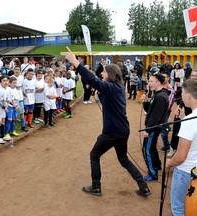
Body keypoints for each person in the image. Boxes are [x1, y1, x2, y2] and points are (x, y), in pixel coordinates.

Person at [65, 46, 151, 197]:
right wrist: (97, 89)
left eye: (103, 71)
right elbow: (95, 82)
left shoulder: (110, 87)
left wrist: (76, 63)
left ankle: (96, 187)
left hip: (112, 131)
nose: (101, 73)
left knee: (94, 155)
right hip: (122, 130)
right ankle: (143, 186)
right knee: (124, 159)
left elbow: (93, 79)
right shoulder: (116, 87)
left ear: (110, 74)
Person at [166, 78, 197, 216]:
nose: (181, 96)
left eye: (183, 93)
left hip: (185, 171)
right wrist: (184, 118)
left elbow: (181, 156)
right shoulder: (189, 120)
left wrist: (169, 163)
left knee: (179, 208)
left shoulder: (190, 122)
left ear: (188, 95)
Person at [141, 72, 169, 181]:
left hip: (153, 128)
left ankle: (153, 174)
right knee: (151, 148)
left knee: (146, 150)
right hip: (153, 128)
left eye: (152, 81)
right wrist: (145, 101)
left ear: (158, 82)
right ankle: (157, 166)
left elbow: (156, 117)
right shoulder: (157, 94)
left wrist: (148, 130)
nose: (149, 83)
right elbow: (150, 110)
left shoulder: (161, 96)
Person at [159, 71, 176, 152]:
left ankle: (166, 146)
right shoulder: (160, 88)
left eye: (165, 77)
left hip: (165, 112)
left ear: (168, 78)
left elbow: (169, 105)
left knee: (163, 129)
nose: (163, 78)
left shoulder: (170, 90)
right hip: (159, 111)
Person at [12, 66, 28, 132]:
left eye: (18, 70)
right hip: (13, 98)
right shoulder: (11, 77)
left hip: (20, 98)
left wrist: (23, 94)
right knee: (13, 114)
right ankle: (12, 128)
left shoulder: (21, 78)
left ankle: (23, 126)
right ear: (13, 70)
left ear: (20, 71)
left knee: (22, 112)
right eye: (15, 69)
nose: (17, 71)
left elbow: (21, 87)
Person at [0, 76, 9, 144]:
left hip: (3, 108)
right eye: (4, 81)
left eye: (6, 80)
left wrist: (7, 106)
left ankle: (3, 136)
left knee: (3, 121)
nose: (6, 82)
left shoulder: (7, 89)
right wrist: (4, 107)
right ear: (0, 83)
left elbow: (6, 100)